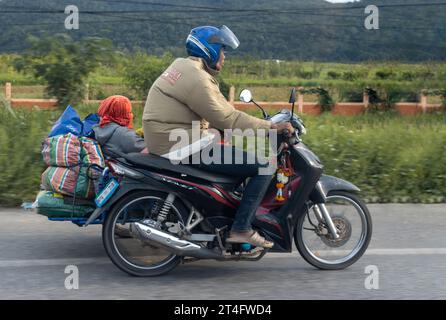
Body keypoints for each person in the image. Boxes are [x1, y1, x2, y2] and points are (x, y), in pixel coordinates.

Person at [142, 26, 294, 248]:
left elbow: (211, 114)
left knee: (233, 154)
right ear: (209, 50)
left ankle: (224, 216)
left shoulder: (182, 67)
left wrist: (222, 130)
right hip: (180, 144)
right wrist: (271, 126)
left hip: (169, 138)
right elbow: (228, 118)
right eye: (222, 49)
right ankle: (241, 228)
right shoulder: (198, 79)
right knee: (263, 166)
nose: (224, 55)